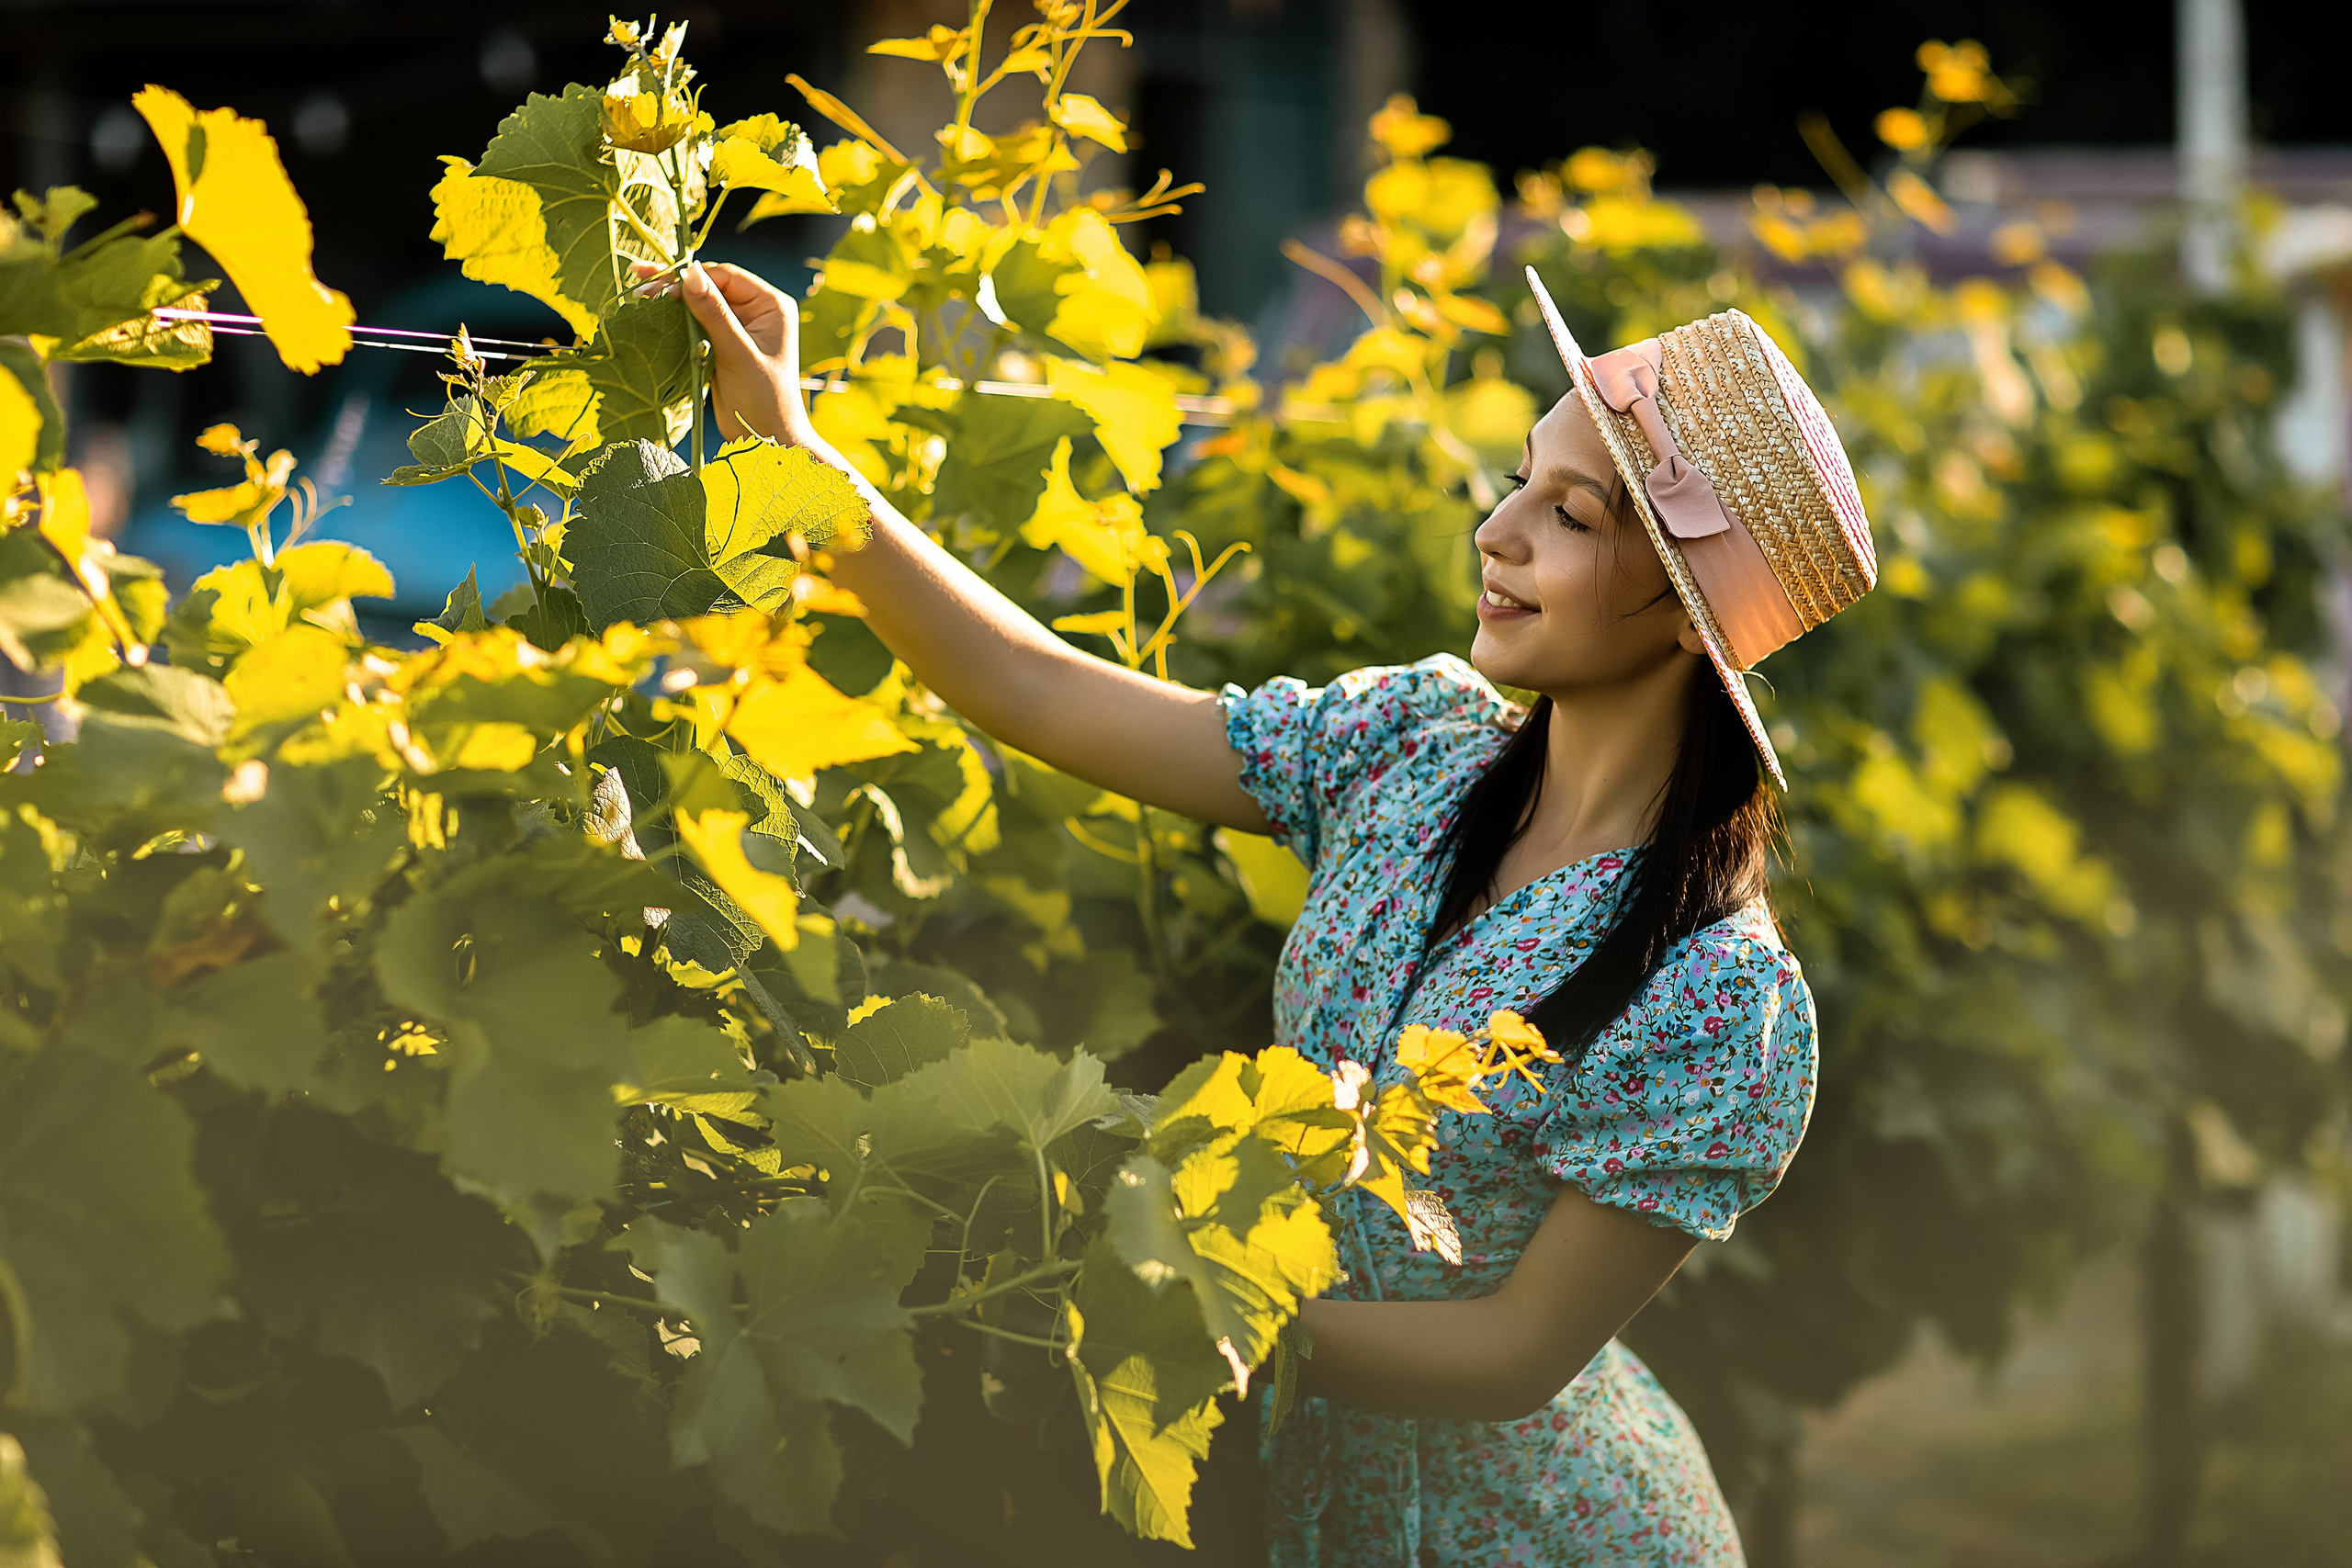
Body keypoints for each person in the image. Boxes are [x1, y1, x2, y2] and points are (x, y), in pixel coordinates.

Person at [665, 255, 1878, 1567]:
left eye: (1573, 516)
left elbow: (1509, 1354)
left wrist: (1180, 1324)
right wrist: (794, 456)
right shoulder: (1416, 751)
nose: (1500, 529)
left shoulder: (1713, 990)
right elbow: (1040, 691)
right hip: (1302, 1497)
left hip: (1538, 1537)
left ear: (1696, 626)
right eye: (1523, 476)